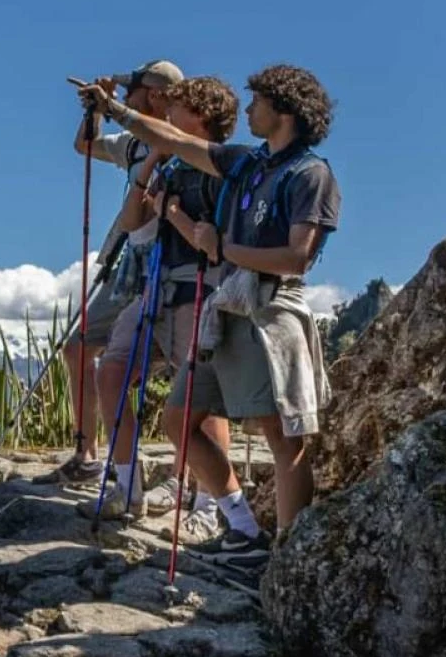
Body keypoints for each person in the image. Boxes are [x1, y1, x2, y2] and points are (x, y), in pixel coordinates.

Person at [77, 64, 341, 593]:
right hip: (229, 306)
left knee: (284, 438)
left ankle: (286, 557)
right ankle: (243, 530)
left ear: (283, 110)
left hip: (270, 310)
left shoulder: (310, 174)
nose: (249, 111)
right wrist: (118, 112)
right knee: (179, 419)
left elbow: (297, 257)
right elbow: (172, 138)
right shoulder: (248, 163)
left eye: (258, 101)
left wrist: (221, 247)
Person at [74, 75, 238, 528]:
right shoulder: (167, 167)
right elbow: (132, 223)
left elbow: (213, 242)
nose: (167, 115)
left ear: (201, 118)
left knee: (200, 401)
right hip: (156, 290)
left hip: (197, 292)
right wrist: (150, 168)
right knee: (111, 370)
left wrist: (173, 211)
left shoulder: (222, 170)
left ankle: (209, 507)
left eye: (178, 109)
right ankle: (127, 488)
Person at [54, 59, 182, 485]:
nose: (126, 94)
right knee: (77, 347)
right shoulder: (131, 145)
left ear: (159, 95)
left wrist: (109, 105)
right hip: (130, 261)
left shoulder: (184, 143)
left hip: (169, 266)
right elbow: (85, 147)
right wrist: (93, 110)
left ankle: (182, 479)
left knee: (179, 366)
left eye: (136, 87)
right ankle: (88, 452)